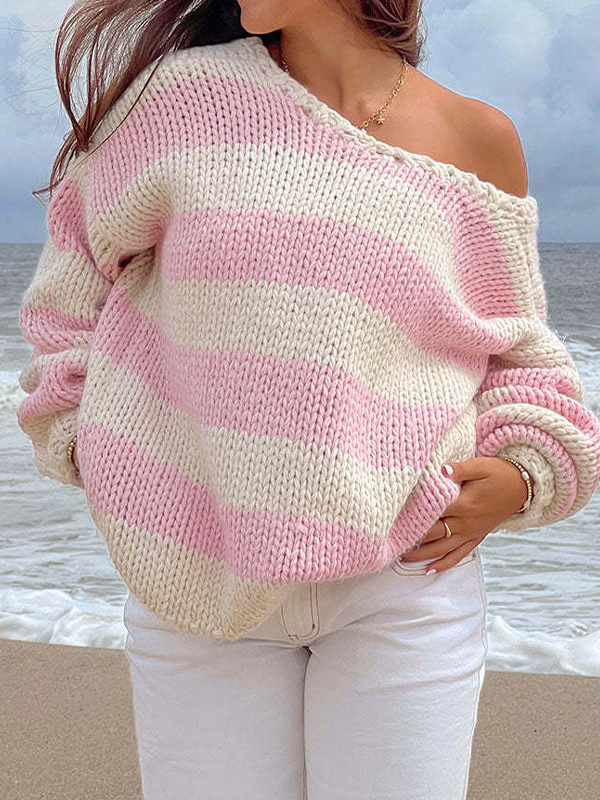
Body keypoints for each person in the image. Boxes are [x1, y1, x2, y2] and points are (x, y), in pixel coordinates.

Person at [16, 1, 600, 799]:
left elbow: (518, 352)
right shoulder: (177, 101)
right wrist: (92, 445)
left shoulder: (477, 139)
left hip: (404, 580)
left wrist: (524, 477)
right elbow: (68, 299)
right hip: (194, 573)